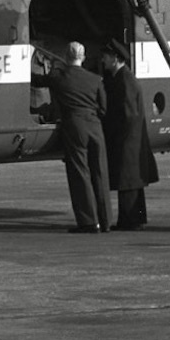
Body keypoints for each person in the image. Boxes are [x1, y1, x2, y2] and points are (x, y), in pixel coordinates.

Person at [32, 41, 112, 233]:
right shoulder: (95, 79)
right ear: (83, 58)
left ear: (67, 57)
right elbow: (103, 107)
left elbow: (37, 81)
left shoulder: (59, 77)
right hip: (95, 126)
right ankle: (106, 220)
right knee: (100, 172)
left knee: (80, 173)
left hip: (74, 126)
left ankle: (88, 222)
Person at [100, 40, 159, 229]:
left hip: (127, 139)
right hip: (129, 139)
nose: (103, 60)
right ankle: (135, 218)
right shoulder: (121, 77)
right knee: (132, 181)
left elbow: (128, 114)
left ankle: (129, 220)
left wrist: (115, 133)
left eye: (106, 57)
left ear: (115, 58)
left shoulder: (125, 80)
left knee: (128, 181)